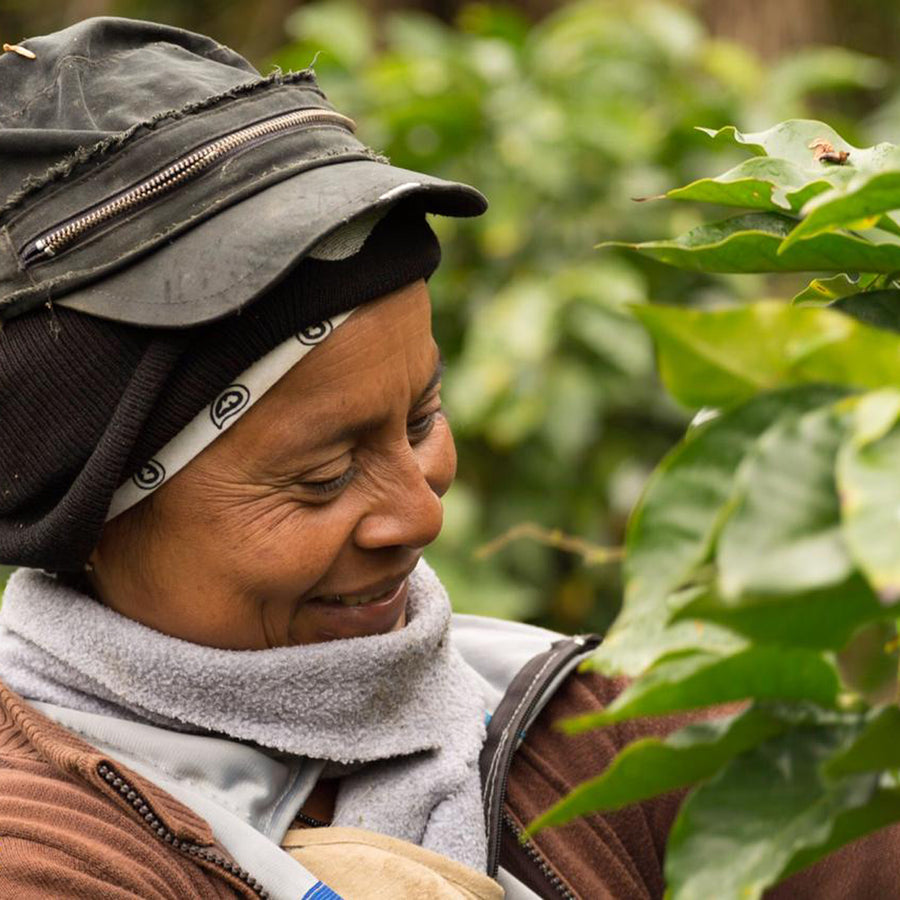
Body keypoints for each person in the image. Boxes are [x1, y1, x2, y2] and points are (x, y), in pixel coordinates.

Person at [0, 17, 897, 900]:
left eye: (422, 416)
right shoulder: (46, 849)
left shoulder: (583, 725)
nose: (422, 513)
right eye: (323, 479)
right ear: (85, 517)